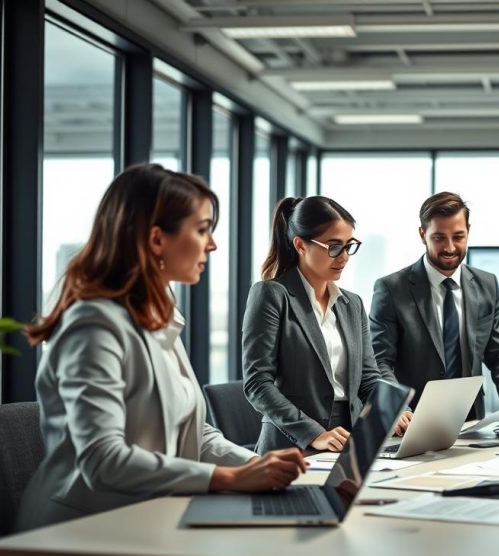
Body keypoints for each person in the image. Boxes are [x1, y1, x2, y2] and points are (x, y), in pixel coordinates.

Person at [17, 164, 305, 532]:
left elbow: (194, 433)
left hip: (149, 516)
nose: (212, 244)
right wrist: (227, 479)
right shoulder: (94, 325)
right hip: (81, 531)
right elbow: (103, 459)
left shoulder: (158, 313)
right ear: (156, 240)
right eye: (202, 230)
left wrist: (255, 466)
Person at [243, 196, 408, 455]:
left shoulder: (351, 304)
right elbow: (257, 383)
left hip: (347, 439)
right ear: (300, 245)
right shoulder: (271, 295)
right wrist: (314, 434)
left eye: (348, 246)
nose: (343, 257)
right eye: (333, 247)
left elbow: (367, 378)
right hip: (292, 444)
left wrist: (393, 408)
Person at [370, 192, 499, 422]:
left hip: (471, 421)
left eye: (458, 236)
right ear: (422, 234)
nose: (450, 247)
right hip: (412, 420)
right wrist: (398, 408)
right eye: (439, 237)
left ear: (468, 231)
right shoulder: (391, 289)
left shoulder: (487, 284)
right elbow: (380, 361)